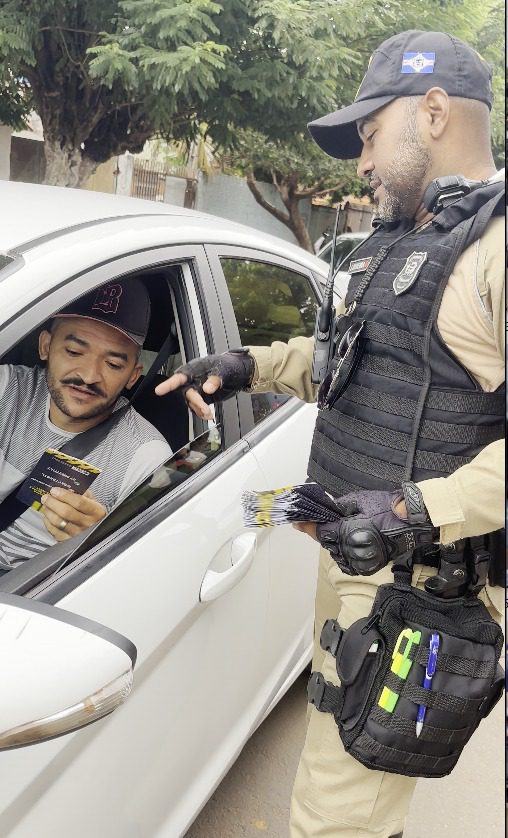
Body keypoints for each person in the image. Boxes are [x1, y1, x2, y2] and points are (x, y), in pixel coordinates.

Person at [155, 30, 504, 838]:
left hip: (420, 589)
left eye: (371, 135)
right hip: (357, 559)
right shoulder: (404, 239)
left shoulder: (495, 248)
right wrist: (247, 365)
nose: (362, 162)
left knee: (335, 817)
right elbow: (351, 366)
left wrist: (413, 510)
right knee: (339, 774)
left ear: (435, 112)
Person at [0, 278, 172, 570]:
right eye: (74, 351)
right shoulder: (7, 389)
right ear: (45, 346)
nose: (89, 376)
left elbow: (143, 568)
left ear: (133, 376)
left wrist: (97, 544)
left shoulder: (145, 458)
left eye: (113, 364)